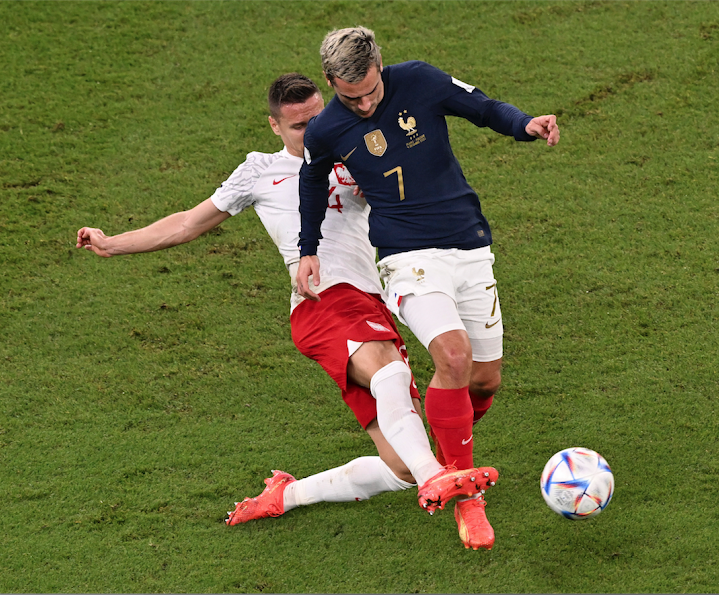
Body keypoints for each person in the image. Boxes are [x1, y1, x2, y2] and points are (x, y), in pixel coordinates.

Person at [76, 73, 497, 550]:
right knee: (389, 375)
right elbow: (189, 223)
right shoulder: (259, 171)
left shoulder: (355, 153)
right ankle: (436, 478)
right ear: (275, 127)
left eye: (318, 117)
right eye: (299, 126)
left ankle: (286, 495)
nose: (312, 130)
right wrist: (113, 245)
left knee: (397, 463)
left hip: (369, 300)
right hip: (323, 303)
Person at [296, 27, 560, 550]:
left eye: (372, 90)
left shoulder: (419, 80)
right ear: (331, 82)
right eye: (352, 97)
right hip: (407, 258)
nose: (366, 103)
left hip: (469, 246)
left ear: (380, 68)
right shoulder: (325, 129)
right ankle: (467, 500)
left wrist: (524, 124)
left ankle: (445, 450)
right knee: (454, 359)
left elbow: (481, 106)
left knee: (483, 382)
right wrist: (307, 248)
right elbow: (311, 183)